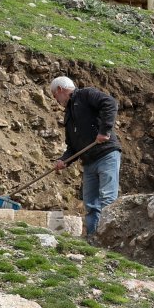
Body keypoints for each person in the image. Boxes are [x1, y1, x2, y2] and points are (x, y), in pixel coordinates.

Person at [49, 76, 122, 237]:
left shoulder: (86, 95)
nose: (56, 100)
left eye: (55, 96)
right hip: (89, 161)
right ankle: (92, 238)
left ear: (60, 90)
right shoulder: (68, 115)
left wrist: (104, 131)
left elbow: (110, 103)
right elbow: (73, 147)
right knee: (91, 204)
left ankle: (108, 238)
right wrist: (64, 160)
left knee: (108, 198)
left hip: (106, 154)